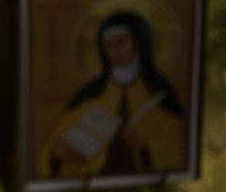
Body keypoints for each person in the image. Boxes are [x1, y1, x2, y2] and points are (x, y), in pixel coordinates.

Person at [45, 11, 184, 179]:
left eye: (121, 42)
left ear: (138, 41)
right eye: (108, 46)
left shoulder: (160, 92)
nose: (114, 51)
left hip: (139, 180)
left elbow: (178, 145)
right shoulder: (91, 93)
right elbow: (54, 144)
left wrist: (143, 146)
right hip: (92, 178)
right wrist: (58, 152)